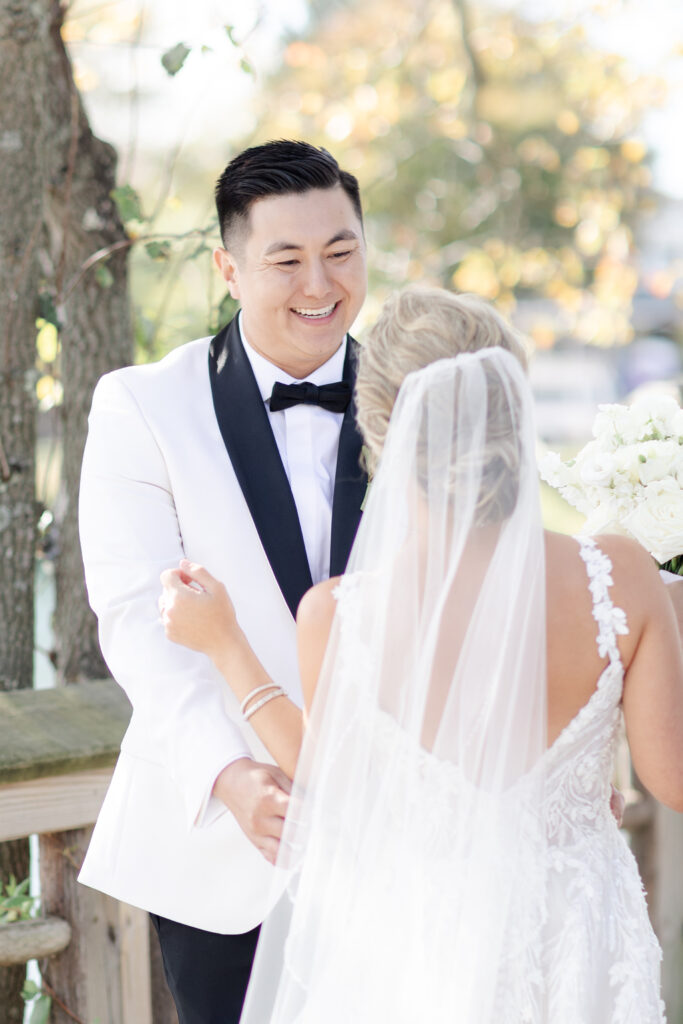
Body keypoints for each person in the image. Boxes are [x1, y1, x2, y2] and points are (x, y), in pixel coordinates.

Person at [162, 286, 683, 1023]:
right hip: (574, 941)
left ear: (378, 426)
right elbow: (673, 778)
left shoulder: (340, 614)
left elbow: (333, 793)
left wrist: (226, 647)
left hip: (416, 945)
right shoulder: (620, 577)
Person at [77, 140, 368, 1024]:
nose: (318, 284)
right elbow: (137, 619)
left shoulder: (423, 394)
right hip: (223, 837)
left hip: (394, 837)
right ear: (229, 269)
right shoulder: (142, 405)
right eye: (285, 260)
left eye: (341, 252)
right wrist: (230, 775)